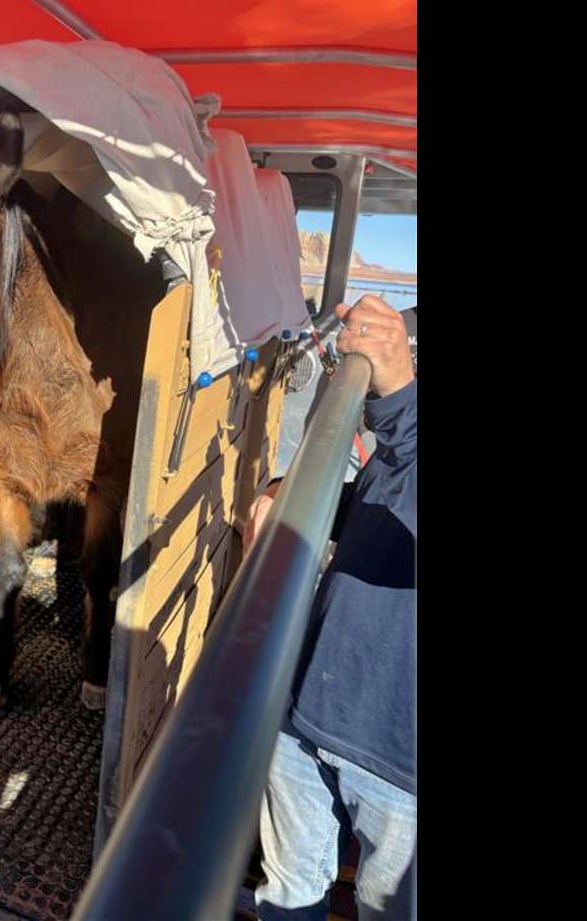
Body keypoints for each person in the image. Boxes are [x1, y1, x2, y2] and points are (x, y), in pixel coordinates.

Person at [245, 294, 416, 921]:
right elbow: (388, 497)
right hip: (310, 706)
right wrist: (293, 495)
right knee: (288, 890)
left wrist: (398, 392)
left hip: (401, 763)